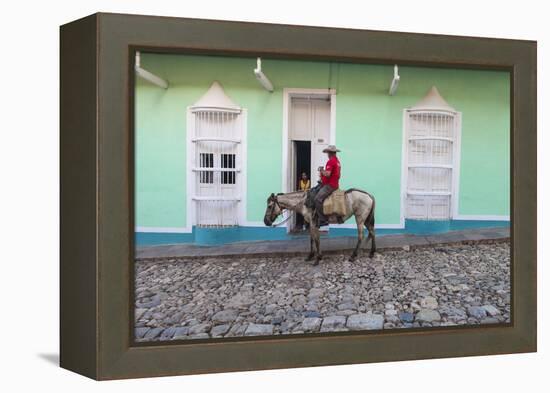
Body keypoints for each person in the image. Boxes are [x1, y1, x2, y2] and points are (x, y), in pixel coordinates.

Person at [314, 145, 341, 227]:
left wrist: (321, 170)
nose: (327, 154)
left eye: (328, 153)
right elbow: (339, 175)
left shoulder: (331, 161)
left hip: (330, 186)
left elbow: (328, 174)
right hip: (334, 184)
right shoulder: (337, 161)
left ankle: (323, 219)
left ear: (331, 153)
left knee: (317, 199)